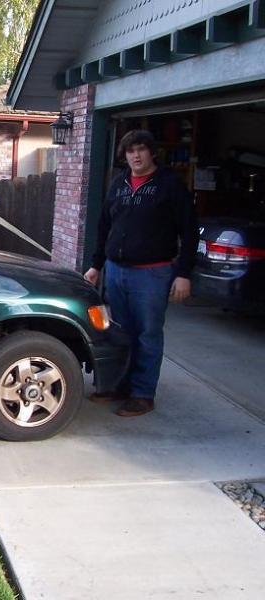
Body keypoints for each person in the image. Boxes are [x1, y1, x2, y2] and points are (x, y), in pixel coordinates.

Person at [84, 129, 198, 417]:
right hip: (116, 271)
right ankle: (120, 386)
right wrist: (96, 265)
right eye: (130, 150)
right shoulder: (118, 184)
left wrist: (184, 273)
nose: (136, 155)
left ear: (151, 152)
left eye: (141, 149)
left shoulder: (169, 185)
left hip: (152, 274)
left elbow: (189, 231)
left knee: (148, 334)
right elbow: (104, 227)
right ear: (125, 155)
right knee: (121, 333)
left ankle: (143, 394)